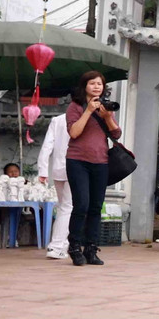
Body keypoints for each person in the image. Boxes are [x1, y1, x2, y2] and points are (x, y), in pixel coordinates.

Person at [65, 71, 121, 267]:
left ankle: (91, 248)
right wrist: (88, 111)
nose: (97, 87)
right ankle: (74, 247)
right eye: (92, 83)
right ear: (84, 86)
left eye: (100, 84)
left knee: (96, 207)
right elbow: (74, 132)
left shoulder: (106, 107)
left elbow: (116, 133)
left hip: (101, 161)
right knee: (81, 205)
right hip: (77, 161)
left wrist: (107, 117)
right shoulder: (75, 107)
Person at [37, 113, 73, 259]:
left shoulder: (57, 120)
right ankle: (57, 245)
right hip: (75, 168)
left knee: (64, 207)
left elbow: (47, 146)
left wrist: (43, 170)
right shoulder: (84, 117)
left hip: (58, 169)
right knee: (67, 207)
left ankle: (61, 244)